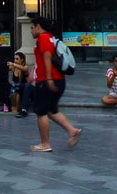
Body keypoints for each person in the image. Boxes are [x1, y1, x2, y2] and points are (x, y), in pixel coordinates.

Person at [28, 15, 81, 152]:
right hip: (58, 80)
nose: (31, 30)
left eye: (32, 28)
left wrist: (48, 79)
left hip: (47, 81)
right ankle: (72, 130)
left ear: (39, 27)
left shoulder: (43, 37)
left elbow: (46, 57)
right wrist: (32, 72)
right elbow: (41, 58)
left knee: (41, 112)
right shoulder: (50, 37)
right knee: (51, 110)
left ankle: (45, 144)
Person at [8, 51, 31, 117]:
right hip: (16, 88)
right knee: (12, 88)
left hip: (26, 89)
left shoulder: (25, 67)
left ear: (22, 59)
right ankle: (11, 107)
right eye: (14, 59)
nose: (15, 60)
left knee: (21, 88)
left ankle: (22, 109)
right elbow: (4, 65)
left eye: (17, 59)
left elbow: (24, 69)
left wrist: (13, 64)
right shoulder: (13, 67)